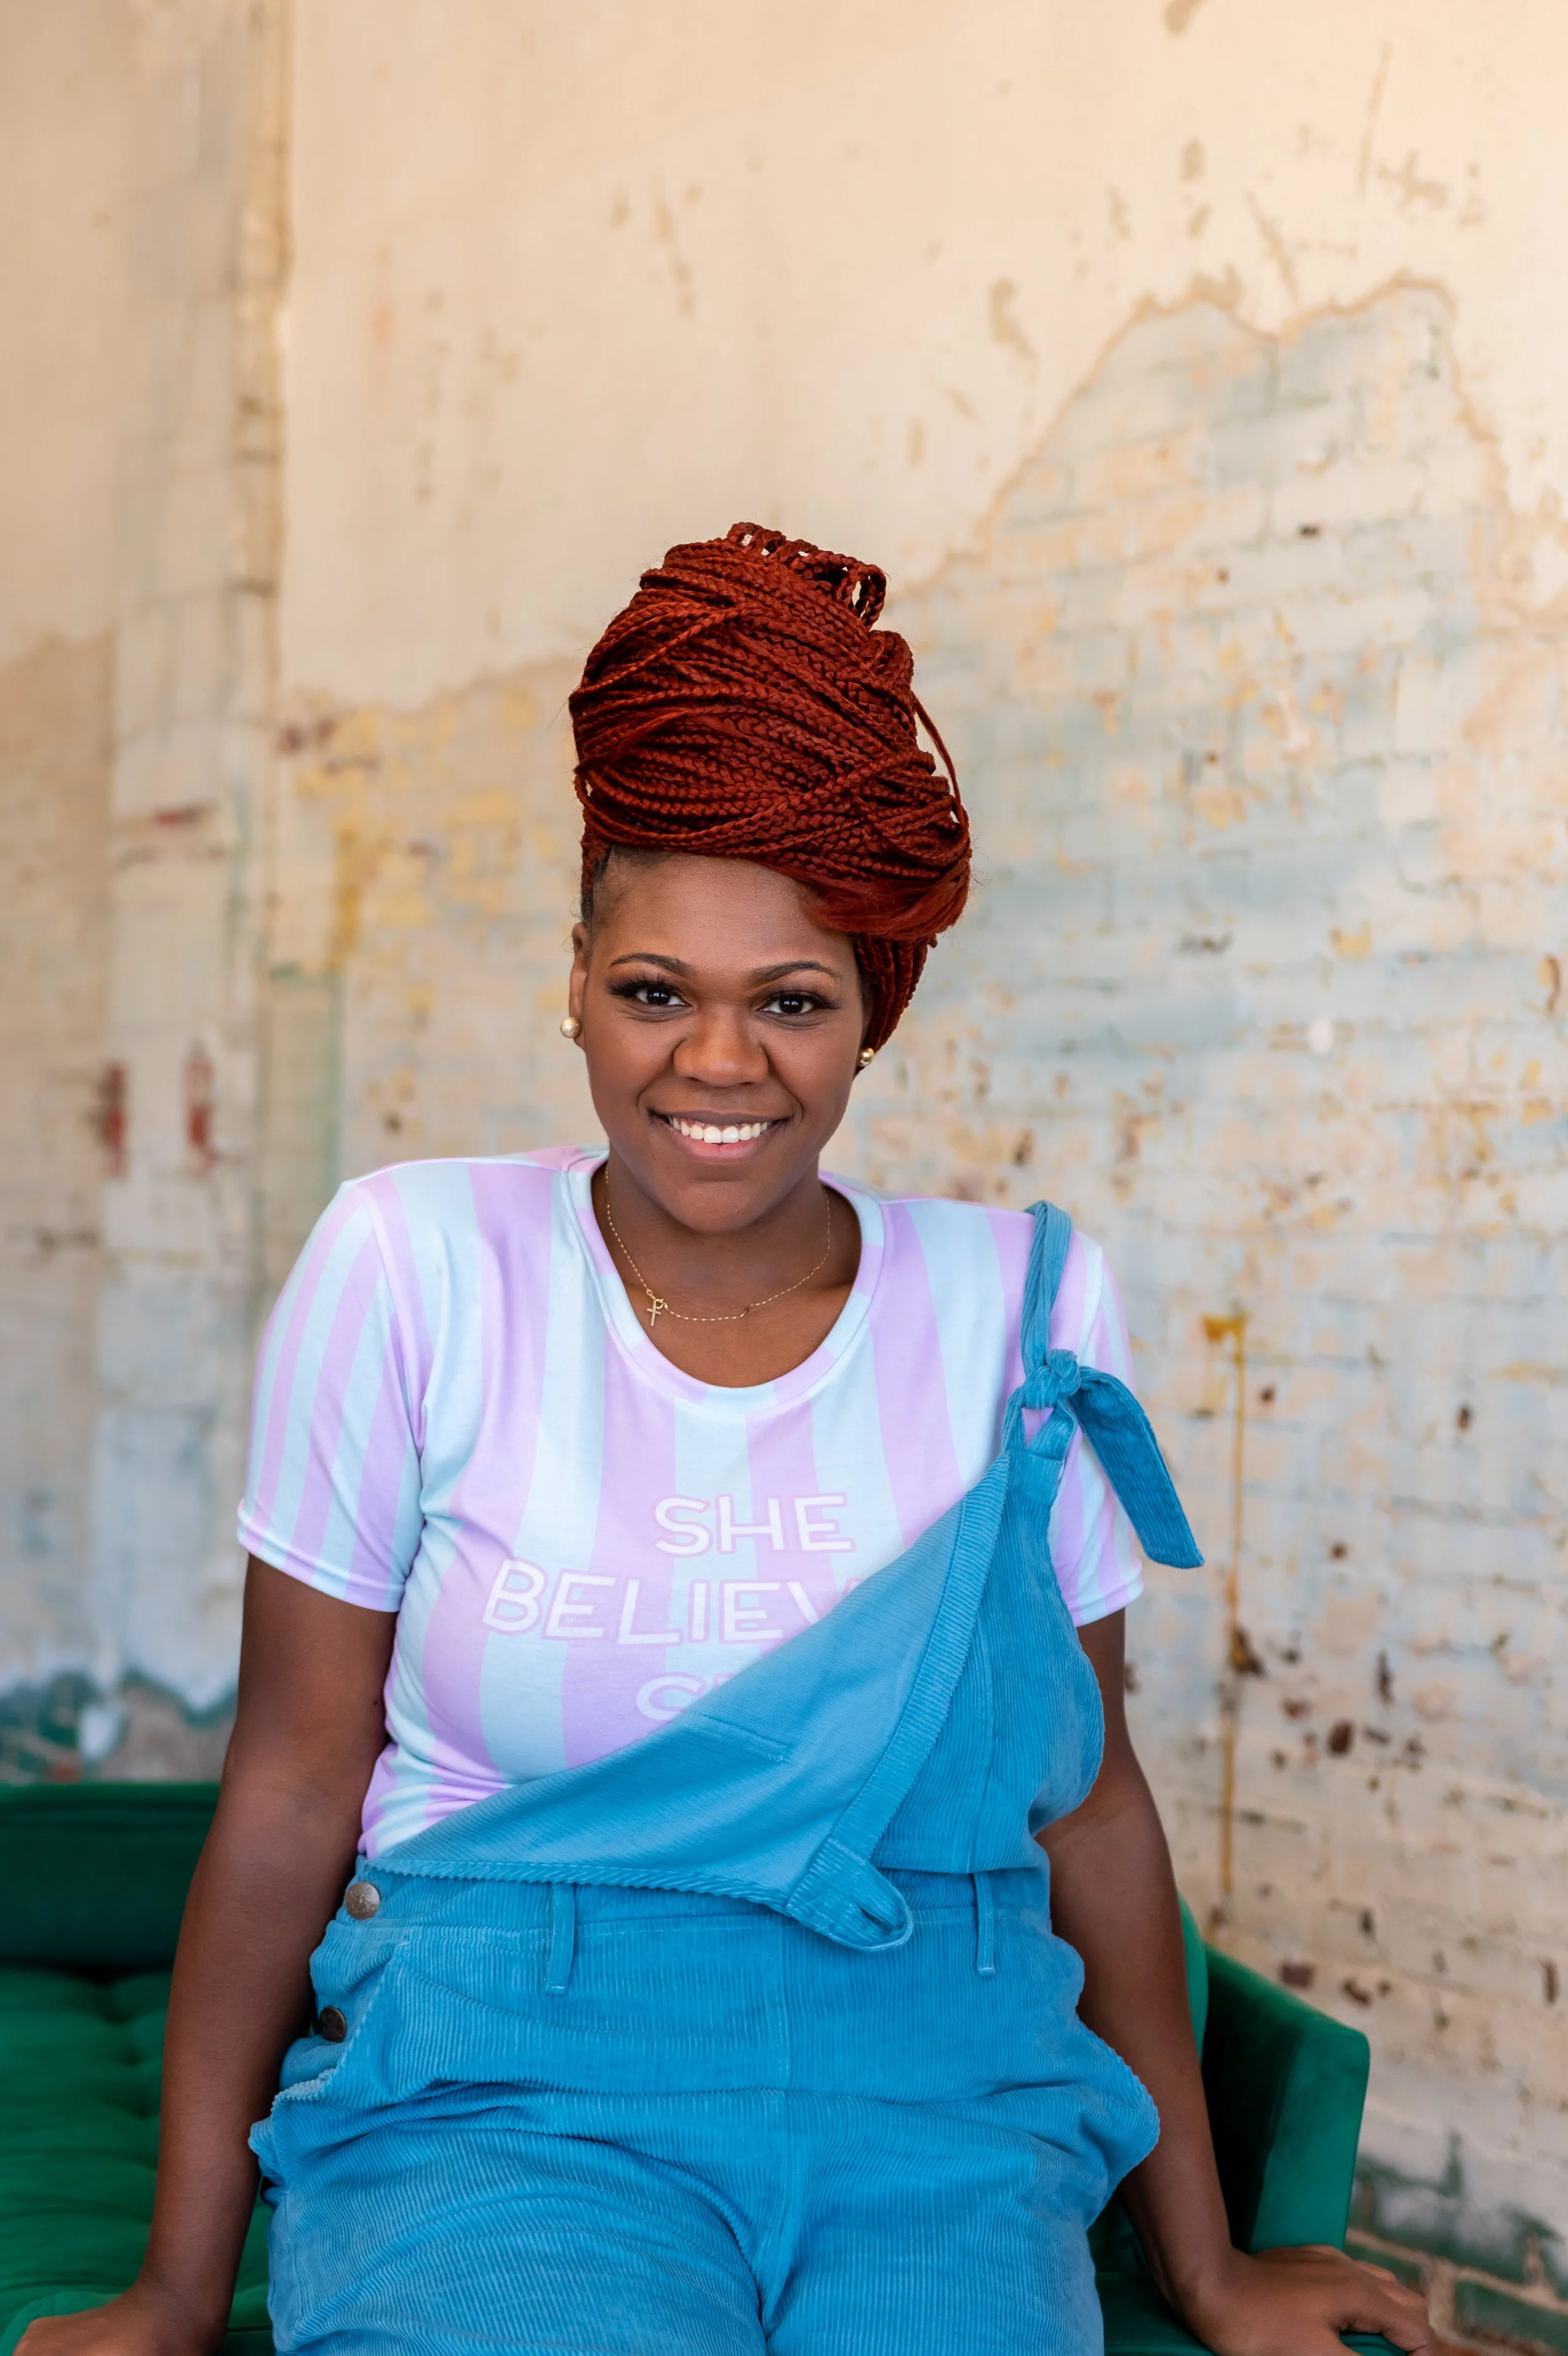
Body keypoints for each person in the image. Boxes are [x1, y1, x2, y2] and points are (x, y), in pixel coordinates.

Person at [25, 525, 1431, 2356]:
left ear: (871, 1016)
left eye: (790, 1001)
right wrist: (170, 2289)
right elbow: (295, 1782)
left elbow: (1082, 1795)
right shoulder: (412, 1266)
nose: (714, 1063)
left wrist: (1207, 2262)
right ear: (578, 971)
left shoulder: (1024, 1311)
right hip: (502, 2097)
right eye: (653, 990)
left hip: (940, 2096)